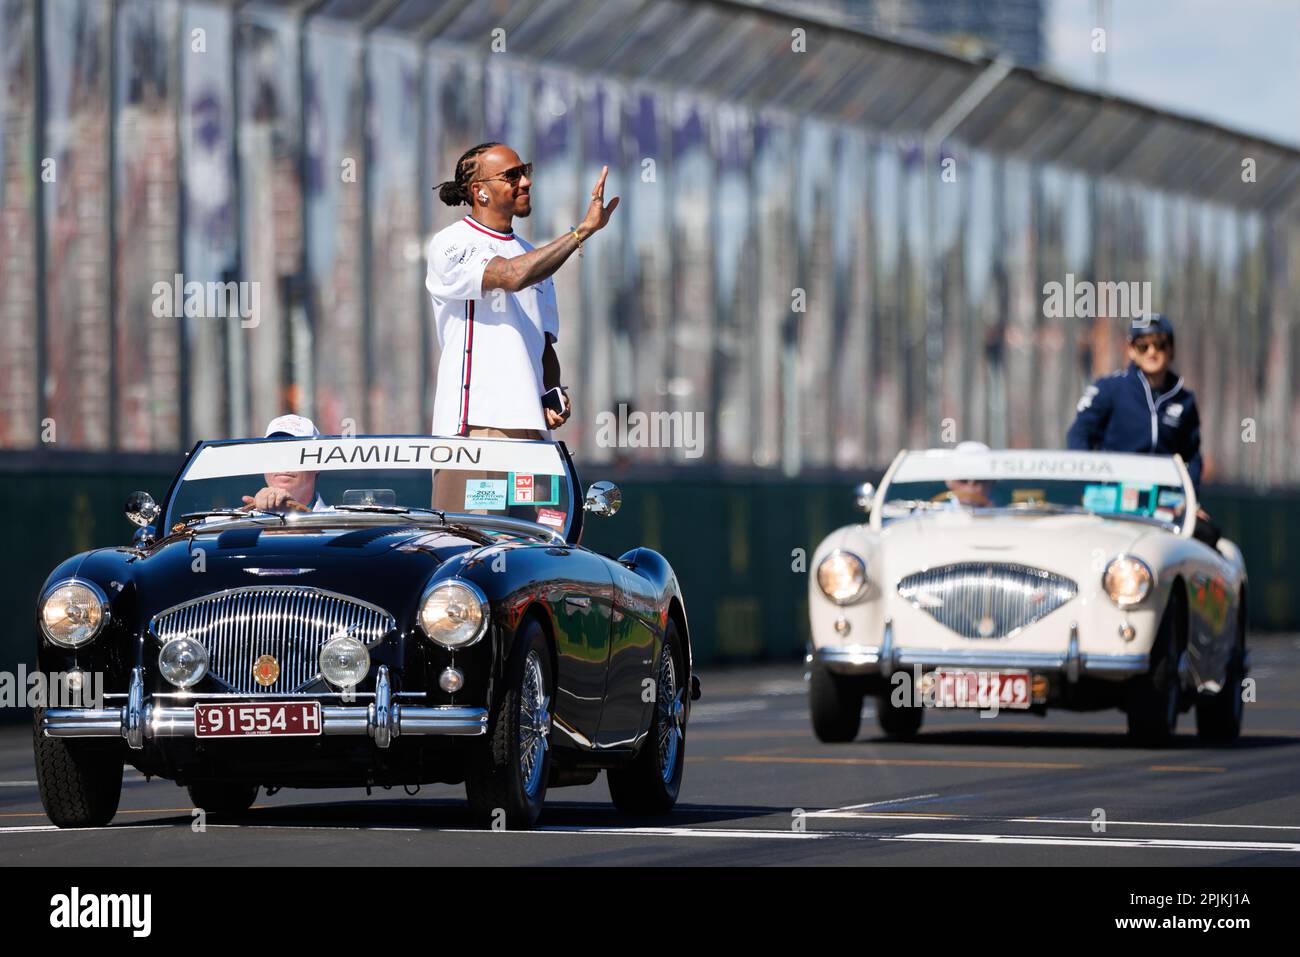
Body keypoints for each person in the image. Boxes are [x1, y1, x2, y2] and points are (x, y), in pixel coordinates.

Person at [425, 142, 617, 511]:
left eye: (525, 170)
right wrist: (582, 232)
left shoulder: (534, 256)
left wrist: (551, 392)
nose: (525, 181)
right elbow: (510, 276)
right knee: (469, 546)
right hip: (475, 431)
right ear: (479, 190)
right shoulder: (451, 244)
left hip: (533, 438)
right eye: (512, 175)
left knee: (537, 549)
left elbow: (544, 342)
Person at [1067, 314, 1203, 489]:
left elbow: (1192, 456)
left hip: (1164, 503)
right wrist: (1091, 487)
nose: (1152, 352)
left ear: (1171, 349)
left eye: (1160, 344)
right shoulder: (1109, 389)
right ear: (1131, 350)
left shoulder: (1185, 400)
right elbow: (1079, 435)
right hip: (1114, 501)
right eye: (1143, 346)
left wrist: (1189, 497)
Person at [241, 414, 329, 513]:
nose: (283, 461)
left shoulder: (342, 522)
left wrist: (292, 514)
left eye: (295, 452)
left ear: (317, 462)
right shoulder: (232, 523)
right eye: (274, 452)